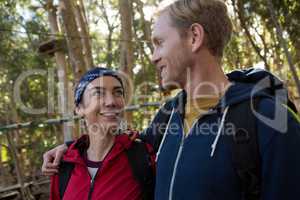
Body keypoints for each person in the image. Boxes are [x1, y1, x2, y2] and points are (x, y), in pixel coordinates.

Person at [43, 0, 300, 200]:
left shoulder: (272, 121)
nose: (154, 56)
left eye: (159, 43)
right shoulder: (167, 116)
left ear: (194, 37)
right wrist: (71, 148)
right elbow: (122, 147)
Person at [48, 67, 155, 200]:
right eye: (98, 93)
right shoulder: (63, 165)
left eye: (118, 93)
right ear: (79, 109)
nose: (111, 102)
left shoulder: (144, 155)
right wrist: (68, 147)